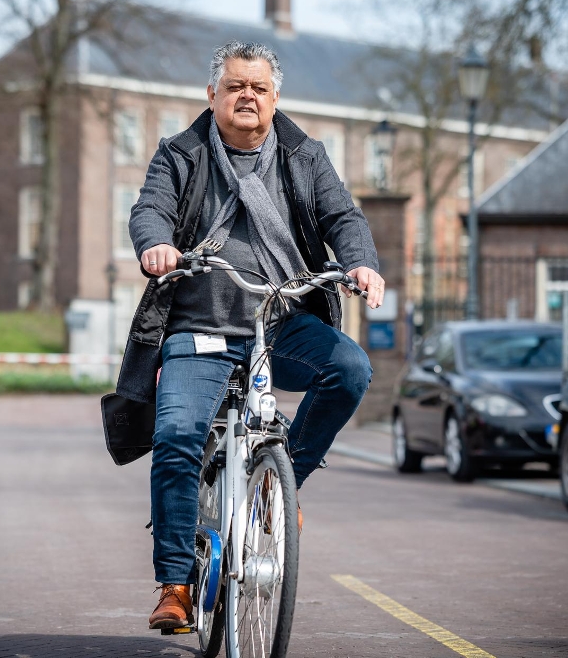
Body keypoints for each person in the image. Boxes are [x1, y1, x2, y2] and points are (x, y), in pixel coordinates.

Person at [117, 41, 385, 630]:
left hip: (281, 321)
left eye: (258, 88)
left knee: (351, 369)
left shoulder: (304, 154)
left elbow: (343, 216)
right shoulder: (180, 153)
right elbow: (150, 209)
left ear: (274, 98)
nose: (247, 97)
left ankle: (280, 483)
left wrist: (360, 262)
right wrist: (156, 244)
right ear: (212, 95)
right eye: (235, 86)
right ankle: (176, 586)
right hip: (200, 325)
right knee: (180, 435)